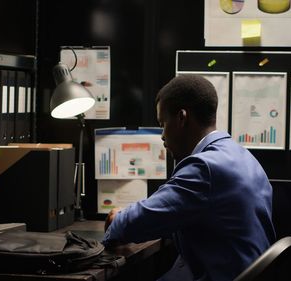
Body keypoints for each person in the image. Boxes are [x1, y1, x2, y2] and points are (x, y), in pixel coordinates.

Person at [103, 74, 276, 281]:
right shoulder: (241, 155)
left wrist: (117, 218)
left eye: (163, 123)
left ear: (182, 118)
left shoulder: (204, 168)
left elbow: (136, 222)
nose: (162, 135)